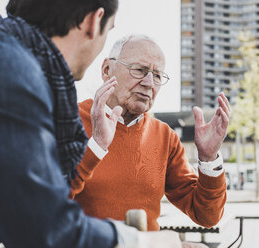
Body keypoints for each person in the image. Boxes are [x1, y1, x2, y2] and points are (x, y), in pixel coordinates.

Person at [0, 2, 185, 248]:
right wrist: (147, 243)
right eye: (108, 30)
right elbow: (42, 228)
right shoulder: (0, 69)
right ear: (93, 21)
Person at [71, 35, 230, 232]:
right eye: (139, 70)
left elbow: (208, 216)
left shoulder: (165, 136)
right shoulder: (67, 122)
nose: (149, 83)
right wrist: (95, 146)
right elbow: (44, 203)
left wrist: (209, 158)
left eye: (157, 75)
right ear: (106, 70)